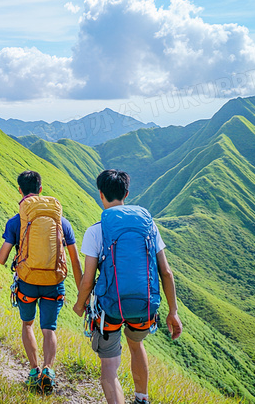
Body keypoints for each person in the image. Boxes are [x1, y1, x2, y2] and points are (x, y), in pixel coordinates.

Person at [73, 169, 183, 404]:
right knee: (136, 344)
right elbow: (166, 271)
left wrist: (80, 304)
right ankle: (142, 398)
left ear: (100, 194)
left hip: (110, 309)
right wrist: (173, 312)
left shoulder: (96, 230)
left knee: (109, 369)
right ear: (127, 193)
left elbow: (88, 279)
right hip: (144, 307)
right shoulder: (148, 226)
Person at [0, 170, 82, 395]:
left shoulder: (16, 222)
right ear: (40, 189)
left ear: (20, 190)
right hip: (54, 282)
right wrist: (84, 291)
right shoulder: (61, 221)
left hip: (27, 282)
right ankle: (48, 371)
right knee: (49, 328)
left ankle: (34, 371)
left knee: (28, 324)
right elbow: (74, 259)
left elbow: (3, 258)